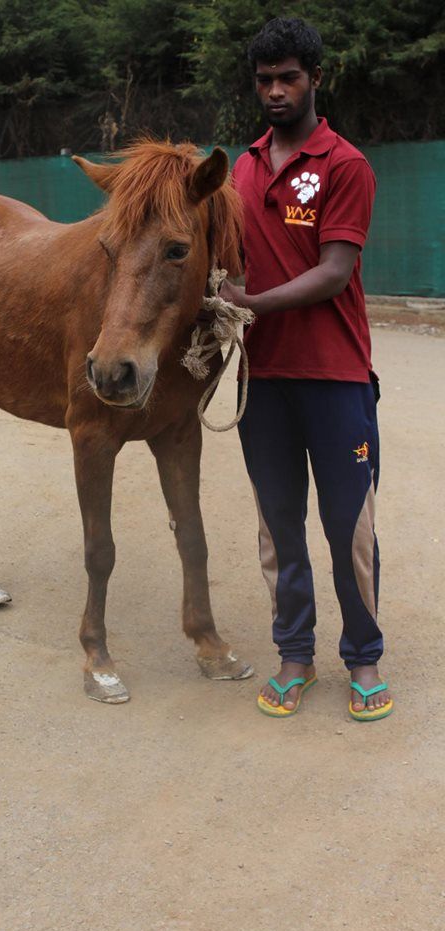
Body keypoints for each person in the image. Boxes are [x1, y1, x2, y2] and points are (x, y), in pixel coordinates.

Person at [223, 17, 393, 719]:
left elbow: (333, 271)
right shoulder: (242, 165)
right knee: (278, 525)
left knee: (347, 523)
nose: (275, 91)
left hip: (335, 377)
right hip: (261, 382)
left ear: (316, 79)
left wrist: (252, 302)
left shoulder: (345, 165)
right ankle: (295, 654)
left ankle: (364, 657)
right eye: (264, 80)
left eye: (288, 77)